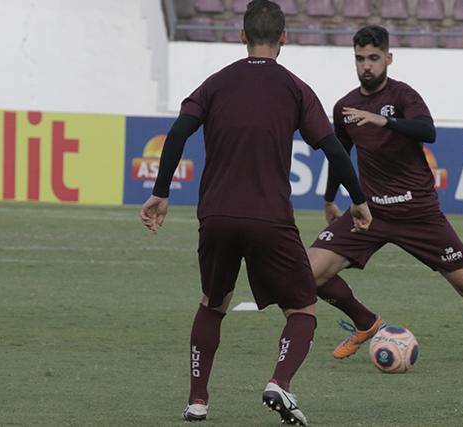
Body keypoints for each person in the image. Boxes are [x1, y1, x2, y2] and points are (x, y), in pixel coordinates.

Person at [139, 1, 372, 424]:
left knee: (212, 304)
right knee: (302, 310)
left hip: (216, 217)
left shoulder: (215, 83)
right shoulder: (295, 88)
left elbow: (177, 133)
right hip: (270, 219)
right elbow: (334, 149)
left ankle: (197, 401)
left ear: (242, 35)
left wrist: (161, 192)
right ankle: (279, 382)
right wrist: (357, 199)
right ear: (284, 37)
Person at [307, 25, 463, 373]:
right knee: (307, 274)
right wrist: (329, 199)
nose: (366, 65)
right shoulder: (345, 107)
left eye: (374, 58)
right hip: (371, 213)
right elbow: (340, 155)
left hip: (419, 213)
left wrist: (384, 121)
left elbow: (428, 131)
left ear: (388, 58)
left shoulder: (404, 96)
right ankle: (365, 322)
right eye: (360, 58)